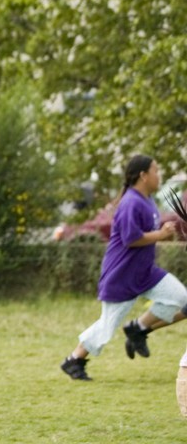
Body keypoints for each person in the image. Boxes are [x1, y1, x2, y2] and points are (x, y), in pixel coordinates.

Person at [60, 155, 187, 381]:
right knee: (107, 326)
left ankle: (138, 328)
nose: (159, 175)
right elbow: (131, 239)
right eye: (156, 171)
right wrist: (161, 234)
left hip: (145, 271)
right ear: (143, 176)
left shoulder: (147, 200)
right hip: (122, 275)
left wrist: (163, 232)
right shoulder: (131, 202)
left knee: (180, 297)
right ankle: (74, 360)